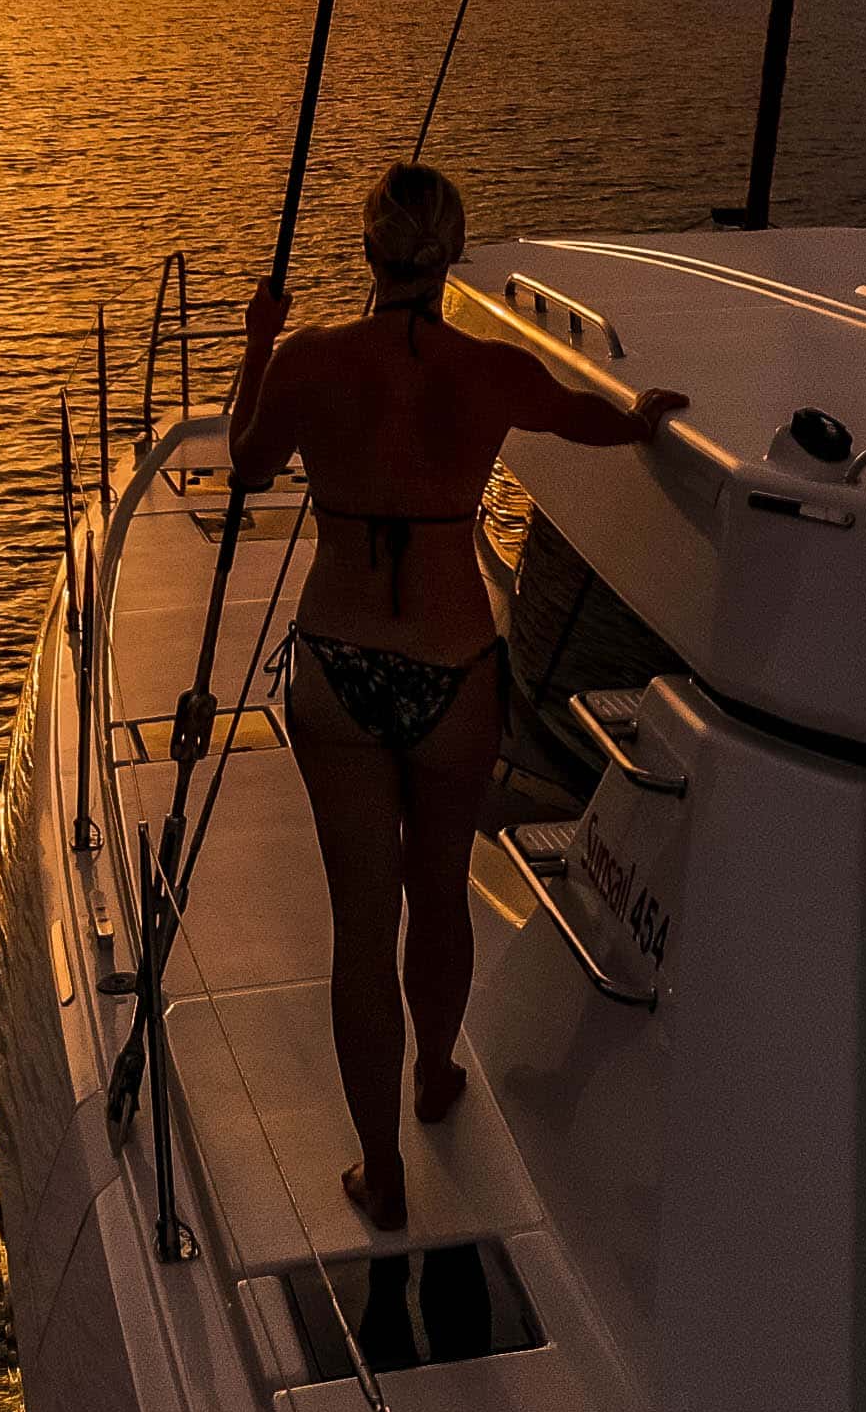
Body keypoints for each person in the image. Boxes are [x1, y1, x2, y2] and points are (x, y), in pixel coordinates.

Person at [226, 161, 684, 1234]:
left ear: (368, 250)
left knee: (360, 928)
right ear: (453, 252)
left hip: (341, 666)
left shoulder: (311, 361)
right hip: (454, 665)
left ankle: (380, 1170)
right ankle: (434, 1071)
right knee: (438, 893)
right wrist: (650, 415)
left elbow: (248, 462)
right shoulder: (492, 372)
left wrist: (257, 337)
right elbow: (594, 423)